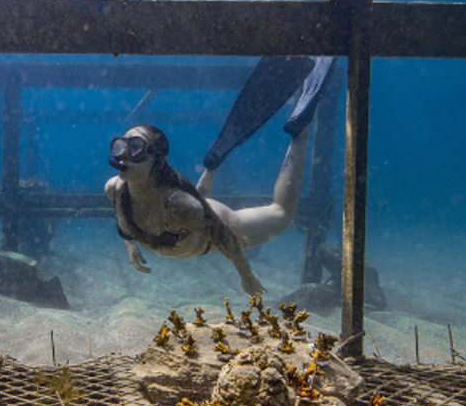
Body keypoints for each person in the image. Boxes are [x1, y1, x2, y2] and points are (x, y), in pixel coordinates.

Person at [105, 57, 335, 297]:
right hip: (189, 214)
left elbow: (227, 239)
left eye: (135, 146)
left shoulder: (182, 206)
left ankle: (301, 132)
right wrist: (130, 245)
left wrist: (246, 276)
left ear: (158, 159)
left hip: (222, 225)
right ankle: (213, 162)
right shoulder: (115, 188)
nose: (123, 154)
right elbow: (123, 214)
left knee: (283, 213)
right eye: (121, 144)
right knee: (191, 210)